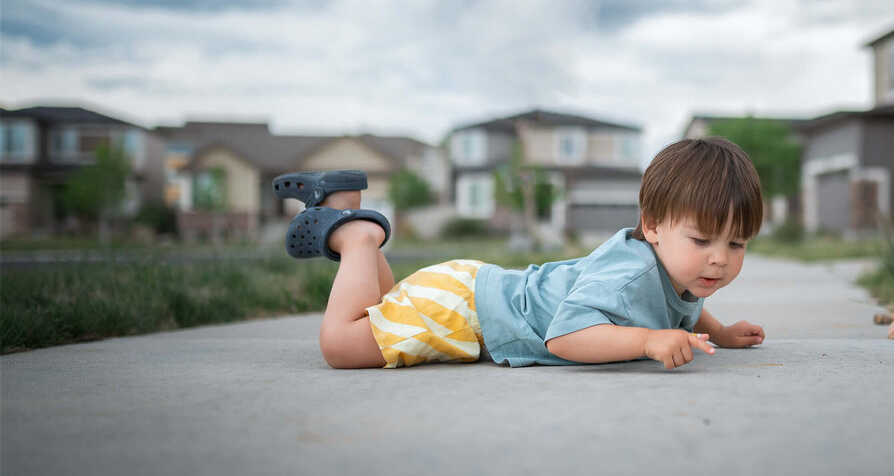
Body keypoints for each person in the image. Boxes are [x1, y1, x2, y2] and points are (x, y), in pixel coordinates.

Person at [275, 137, 766, 370]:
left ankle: (343, 203)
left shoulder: (675, 268)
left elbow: (681, 301)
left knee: (379, 310)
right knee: (343, 345)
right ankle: (357, 235)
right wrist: (647, 341)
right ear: (653, 225)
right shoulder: (630, 274)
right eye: (702, 241)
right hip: (465, 312)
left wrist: (719, 332)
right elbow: (566, 338)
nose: (718, 260)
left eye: (736, 243)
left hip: (472, 291)